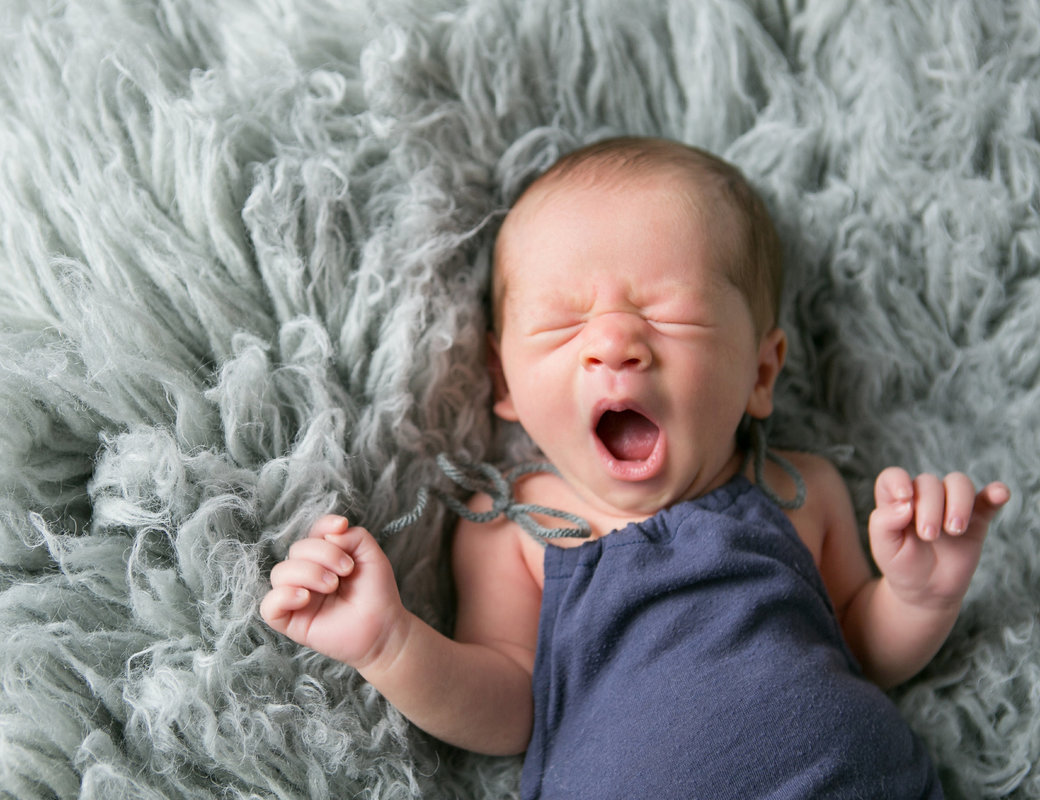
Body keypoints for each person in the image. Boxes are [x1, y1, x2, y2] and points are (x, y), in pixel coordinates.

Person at [260, 137, 1010, 798]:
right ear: (505, 383)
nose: (614, 343)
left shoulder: (797, 492)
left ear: (760, 370)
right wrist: (390, 644)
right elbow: (514, 706)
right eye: (562, 323)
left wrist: (920, 595)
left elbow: (863, 651)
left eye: (668, 314)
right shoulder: (515, 531)